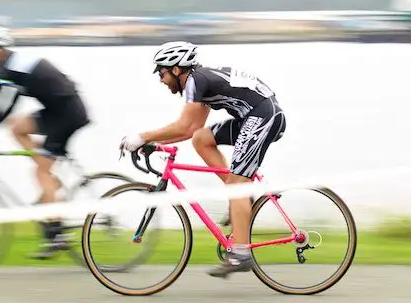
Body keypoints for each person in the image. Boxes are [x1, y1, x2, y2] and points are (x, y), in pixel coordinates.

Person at [119, 40, 286, 278]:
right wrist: (154, 143)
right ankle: (239, 192)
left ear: (177, 69)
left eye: (162, 73)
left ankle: (241, 252)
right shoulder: (200, 82)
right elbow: (191, 130)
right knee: (201, 138)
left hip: (262, 117)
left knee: (238, 185)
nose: (161, 80)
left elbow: (182, 125)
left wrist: (141, 136)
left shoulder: (197, 80)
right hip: (256, 115)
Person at [0, 25, 91, 259]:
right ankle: (50, 182)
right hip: (60, 110)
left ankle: (56, 233)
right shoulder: (12, 64)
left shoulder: (10, 69)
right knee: (17, 126)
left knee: (40, 173)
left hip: (67, 115)